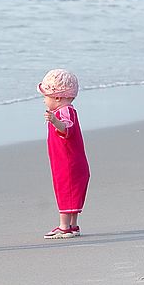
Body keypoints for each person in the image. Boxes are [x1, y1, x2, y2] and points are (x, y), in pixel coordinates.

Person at [39, 69, 90, 239]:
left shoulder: (64, 112)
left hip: (67, 162)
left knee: (66, 189)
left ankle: (64, 226)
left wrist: (55, 121)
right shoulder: (66, 111)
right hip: (69, 160)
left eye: (46, 97)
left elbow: (66, 129)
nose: (44, 101)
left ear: (58, 97)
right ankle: (73, 225)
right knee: (72, 190)